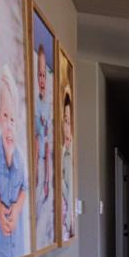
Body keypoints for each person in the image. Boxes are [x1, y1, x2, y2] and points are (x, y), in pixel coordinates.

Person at [0, 66, 29, 257]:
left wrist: (15, 210)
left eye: (13, 119)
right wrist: (0, 209)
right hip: (2, 237)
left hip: (19, 236)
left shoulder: (21, 158)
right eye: (5, 116)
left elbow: (24, 187)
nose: (9, 124)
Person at [33, 43, 54, 244]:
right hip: (36, 164)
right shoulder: (34, 105)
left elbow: (47, 147)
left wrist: (47, 180)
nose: (41, 79)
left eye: (43, 75)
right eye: (38, 75)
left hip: (43, 166)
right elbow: (38, 142)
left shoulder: (47, 108)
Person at [60, 86, 74, 240]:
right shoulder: (60, 152)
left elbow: (69, 193)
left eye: (70, 121)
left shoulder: (72, 155)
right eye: (65, 120)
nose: (67, 126)